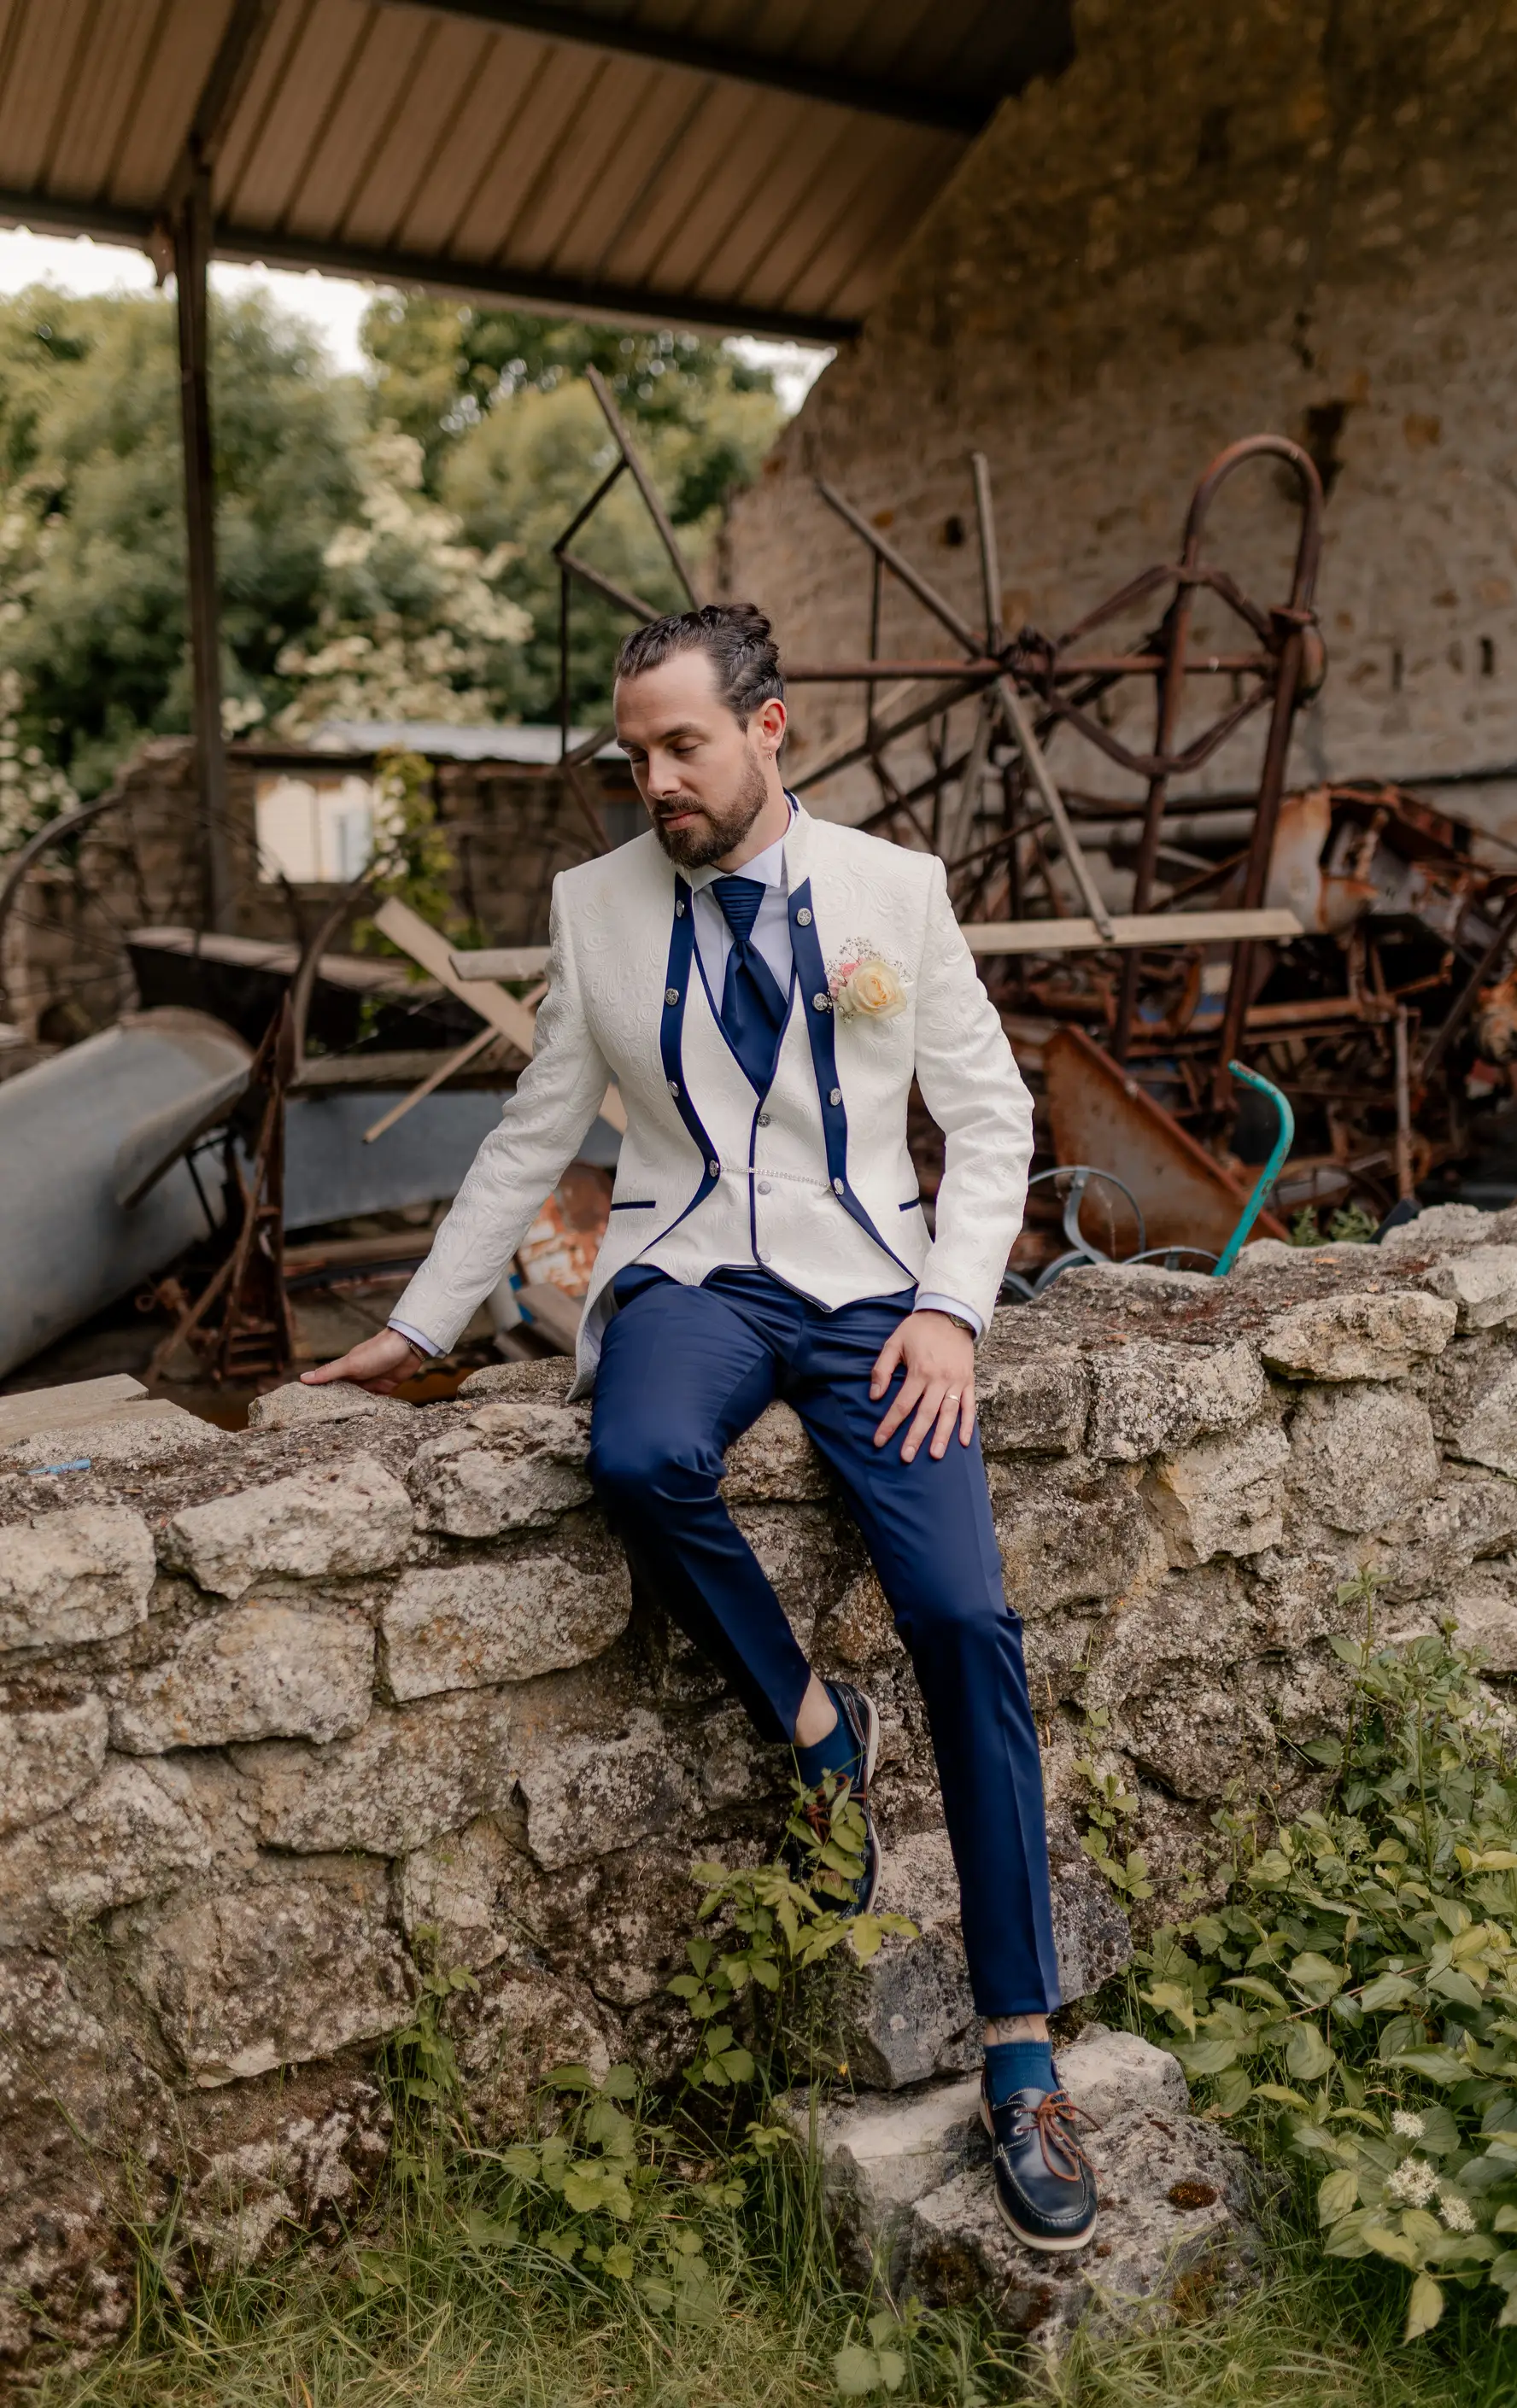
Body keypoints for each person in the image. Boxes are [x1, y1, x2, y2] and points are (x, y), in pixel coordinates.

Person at [306, 602, 1098, 2253]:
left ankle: (1022, 2054)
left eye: (683, 746)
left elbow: (992, 1110)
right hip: (688, 1270)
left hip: (879, 1282)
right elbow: (536, 1134)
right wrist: (416, 1324)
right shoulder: (594, 909)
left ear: (771, 729)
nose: (655, 779)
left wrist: (956, 1303)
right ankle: (818, 1731)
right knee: (638, 1458)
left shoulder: (897, 893)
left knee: (963, 1613)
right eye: (637, 753)